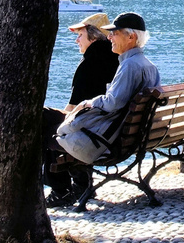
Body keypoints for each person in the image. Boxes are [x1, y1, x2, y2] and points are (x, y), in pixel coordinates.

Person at [55, 11, 161, 166]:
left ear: (131, 37)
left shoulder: (130, 66)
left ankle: (65, 188)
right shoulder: (149, 66)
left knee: (49, 133)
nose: (109, 37)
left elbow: (113, 103)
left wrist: (88, 103)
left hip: (108, 139)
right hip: (133, 135)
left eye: (114, 33)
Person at [43, 12, 118, 207]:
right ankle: (82, 185)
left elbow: (71, 111)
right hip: (112, 128)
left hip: (96, 132)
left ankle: (60, 190)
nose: (77, 40)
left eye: (80, 35)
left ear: (93, 37)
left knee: (45, 121)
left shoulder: (90, 64)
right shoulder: (117, 59)